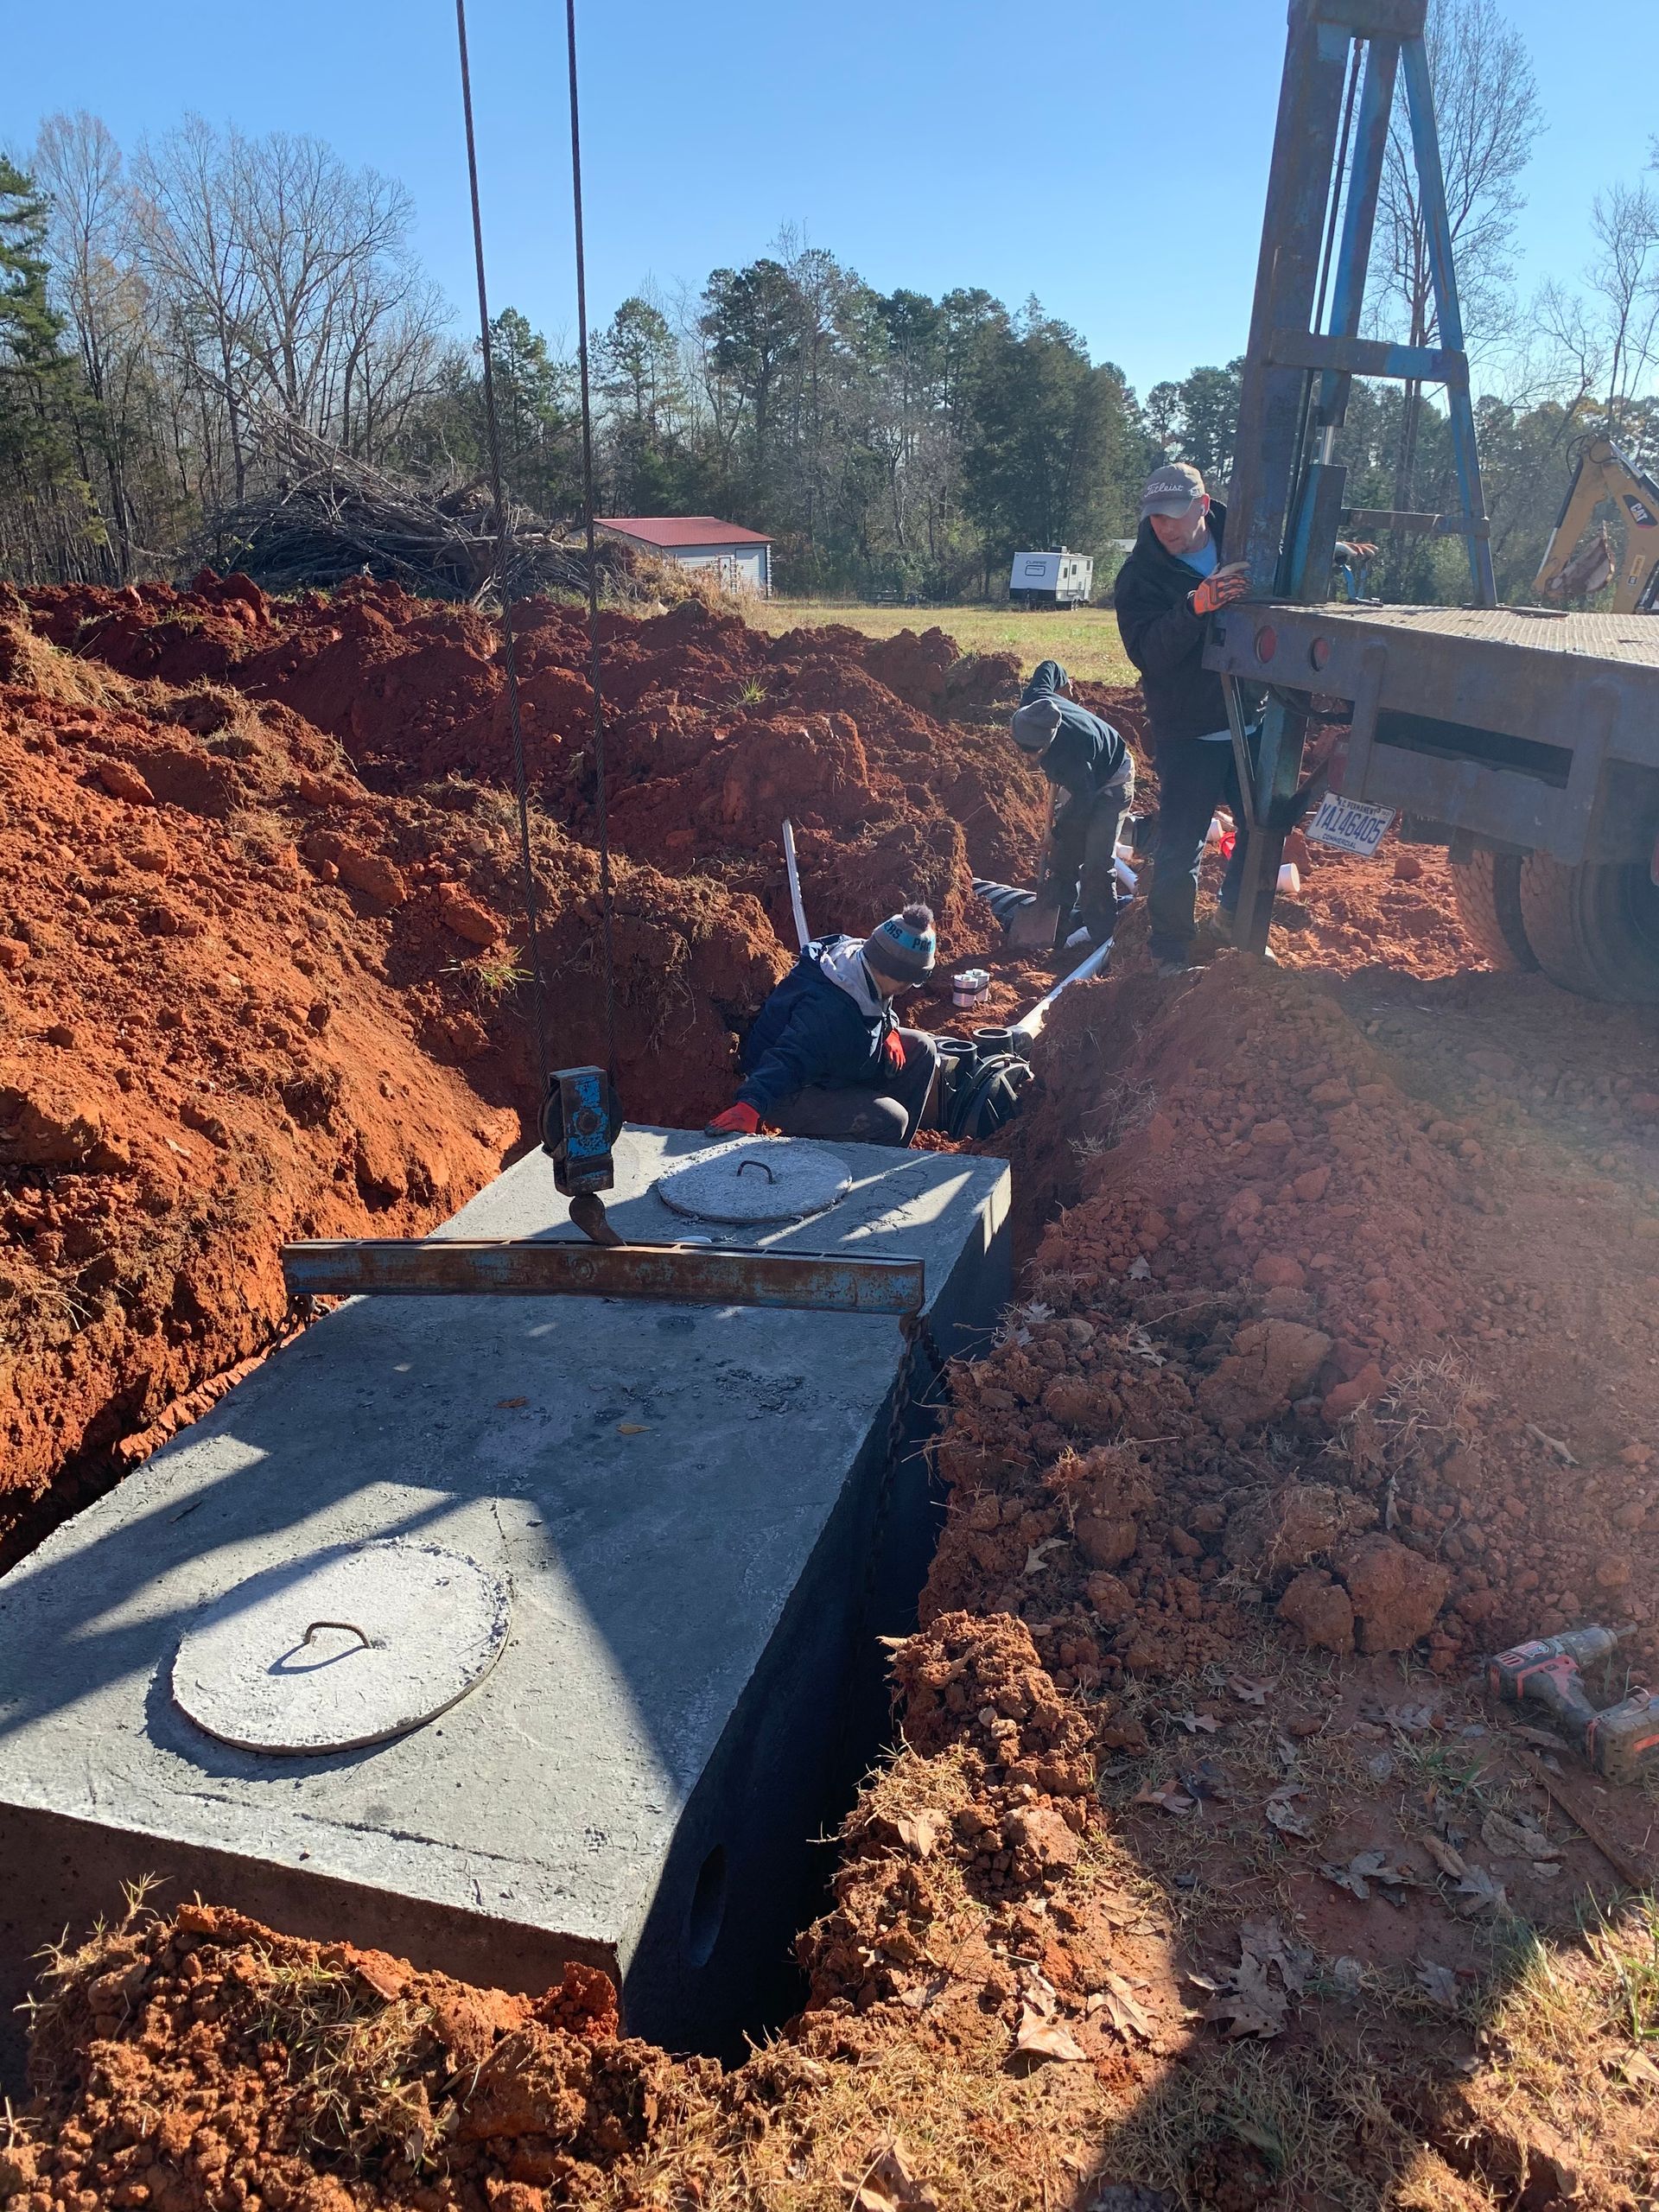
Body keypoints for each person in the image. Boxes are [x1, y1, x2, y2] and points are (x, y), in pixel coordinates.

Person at [1112, 461, 1256, 975]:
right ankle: (1170, 950)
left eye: (1174, 516)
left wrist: (1336, 552)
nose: (1164, 528)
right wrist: (1195, 607)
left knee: (1263, 828)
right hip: (1188, 728)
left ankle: (1235, 922)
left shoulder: (1245, 537)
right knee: (1179, 846)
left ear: (1202, 505)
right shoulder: (1140, 577)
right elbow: (1148, 653)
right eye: (1155, 518)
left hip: (1250, 717)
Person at [705, 904, 941, 1147]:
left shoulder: (865, 960)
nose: (908, 989)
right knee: (891, 1120)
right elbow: (790, 1056)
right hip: (789, 1088)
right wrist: (750, 1105)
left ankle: (892, 1154)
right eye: (910, 981)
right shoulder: (829, 1011)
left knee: (923, 1047)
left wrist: (889, 1027)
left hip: (833, 1062)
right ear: (896, 973)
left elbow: (879, 1002)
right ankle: (848, 1168)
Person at [1008, 660, 1135, 951]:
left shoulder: (1068, 757)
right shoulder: (1036, 700)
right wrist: (1064, 686)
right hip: (1085, 777)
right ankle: (1055, 929)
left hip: (1113, 776)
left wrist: (1058, 833)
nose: (1025, 757)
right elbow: (1051, 667)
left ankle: (1104, 936)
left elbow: (1084, 803)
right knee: (1063, 859)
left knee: (1095, 862)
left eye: (1031, 753)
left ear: (1046, 745)